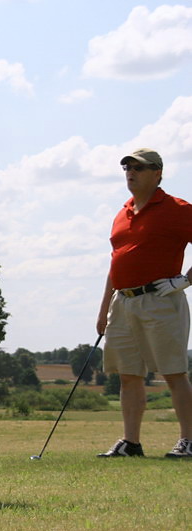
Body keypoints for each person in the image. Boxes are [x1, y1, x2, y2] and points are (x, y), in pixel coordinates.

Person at [95, 148, 192, 459]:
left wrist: (185, 280)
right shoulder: (122, 213)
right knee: (128, 374)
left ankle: (189, 440)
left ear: (157, 173)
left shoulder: (177, 209)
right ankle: (131, 442)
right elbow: (115, 264)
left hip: (160, 300)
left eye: (138, 167)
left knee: (174, 372)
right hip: (122, 303)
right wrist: (103, 310)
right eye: (127, 167)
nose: (130, 172)